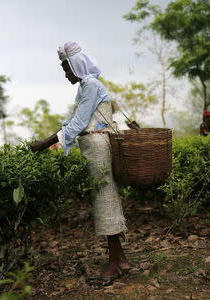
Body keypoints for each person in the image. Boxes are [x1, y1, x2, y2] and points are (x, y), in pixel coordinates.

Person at [29, 42, 130, 286]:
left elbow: (79, 122)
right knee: (103, 201)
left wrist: (44, 143)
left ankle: (116, 263)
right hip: (94, 149)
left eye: (66, 68)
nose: (65, 74)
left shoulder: (92, 85)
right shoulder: (86, 87)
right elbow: (75, 120)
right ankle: (120, 258)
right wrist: (53, 140)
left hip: (99, 150)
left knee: (105, 201)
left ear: (76, 65)